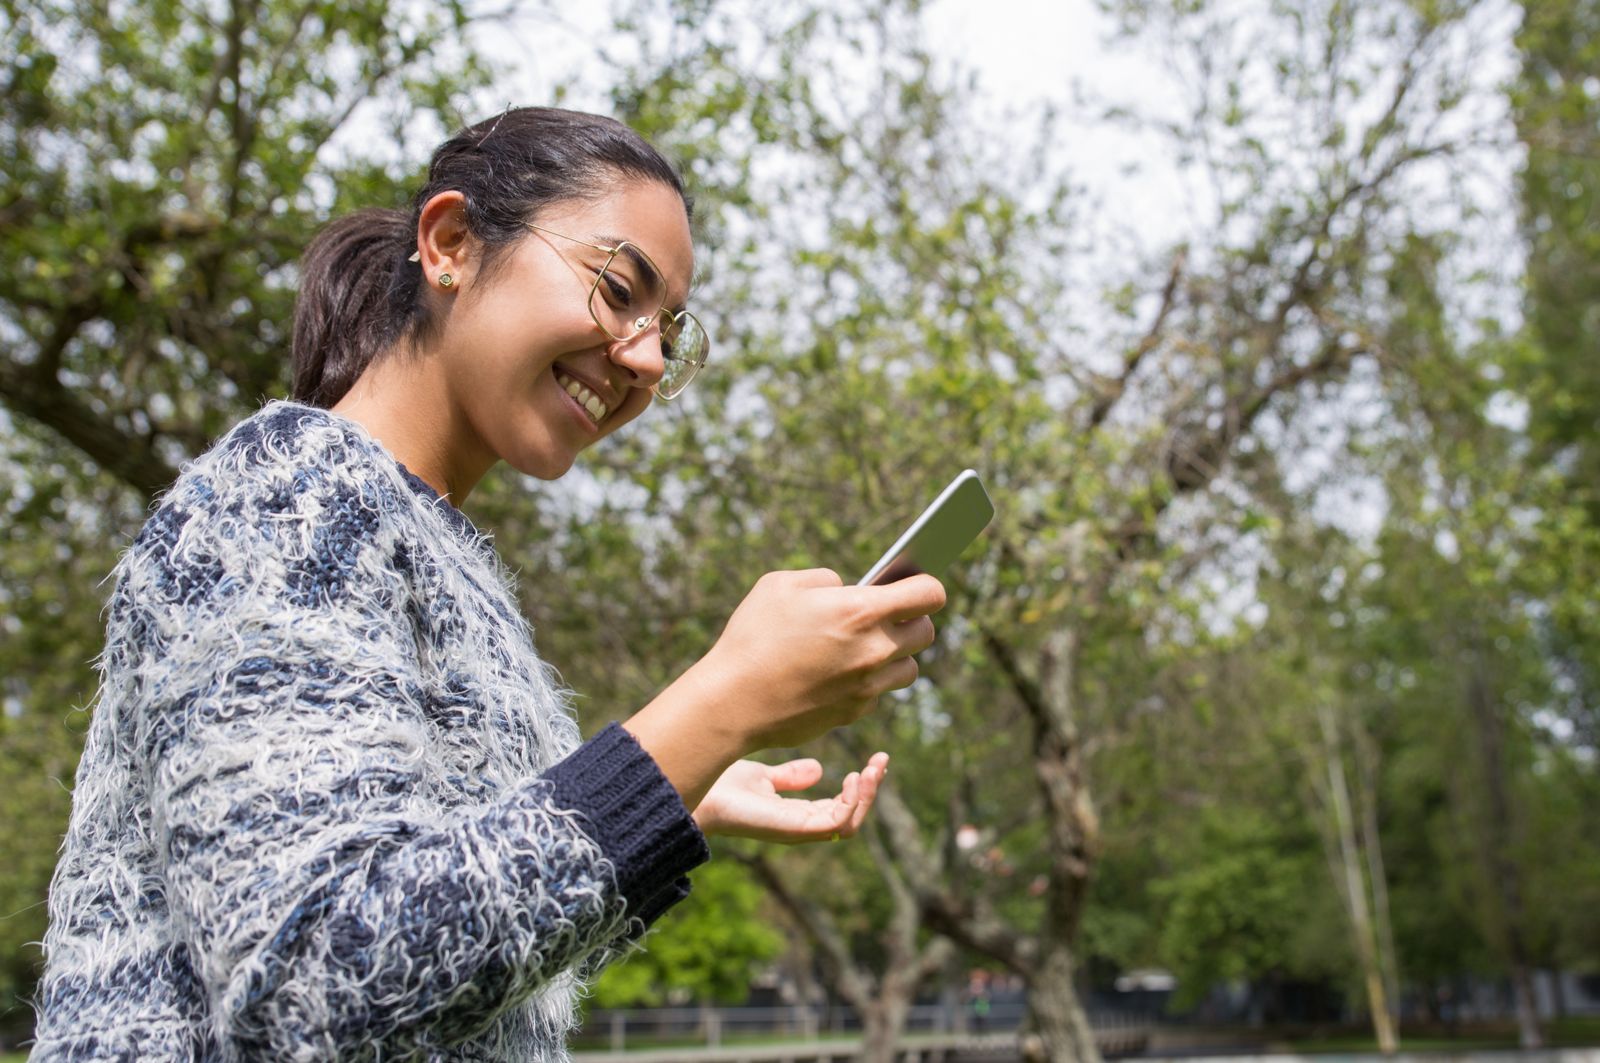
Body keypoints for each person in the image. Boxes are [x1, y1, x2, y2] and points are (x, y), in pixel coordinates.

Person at [29, 107, 946, 1060]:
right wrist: (714, 710)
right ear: (452, 243)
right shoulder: (288, 495)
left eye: (669, 332)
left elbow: (459, 966)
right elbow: (316, 986)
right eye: (618, 288)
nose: (644, 356)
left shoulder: (441, 555)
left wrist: (677, 791)